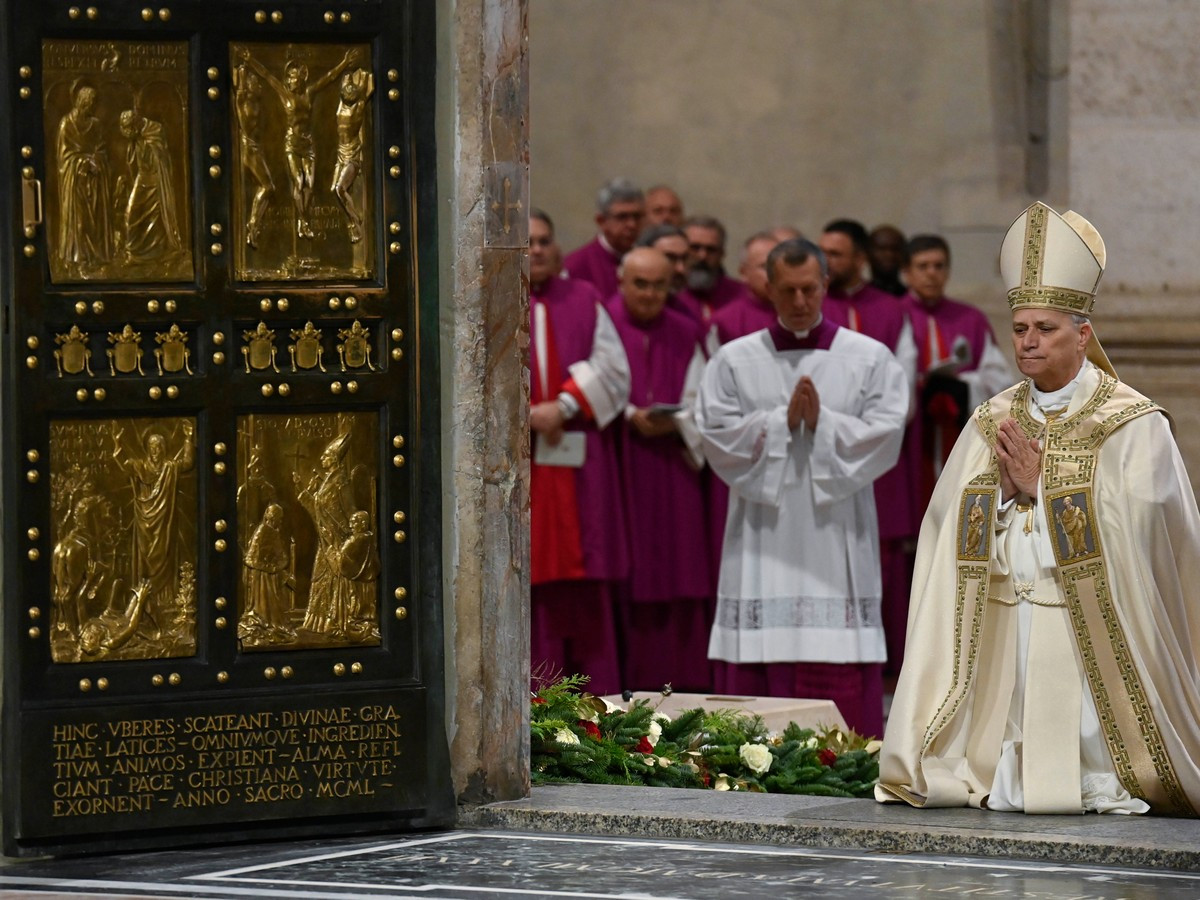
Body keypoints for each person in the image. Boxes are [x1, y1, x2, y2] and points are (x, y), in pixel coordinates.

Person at [879, 201, 1200, 816]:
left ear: (1083, 335)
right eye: (1020, 328)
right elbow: (945, 527)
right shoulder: (993, 418)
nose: (1028, 342)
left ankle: (1103, 772)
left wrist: (1044, 487)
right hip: (1008, 614)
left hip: (1088, 619)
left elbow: (1144, 531)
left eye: (1045, 329)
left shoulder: (1133, 423)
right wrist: (1001, 494)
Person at [697, 239, 908, 737]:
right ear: (767, 287)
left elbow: (887, 432)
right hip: (763, 532)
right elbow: (714, 435)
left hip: (837, 528)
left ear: (825, 286)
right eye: (787, 290)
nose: (799, 301)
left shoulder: (868, 357)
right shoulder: (734, 359)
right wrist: (780, 422)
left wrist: (822, 423)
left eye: (809, 289)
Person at [530, 209, 631, 694]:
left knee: (583, 570)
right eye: (527, 242)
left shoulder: (585, 298)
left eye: (545, 241)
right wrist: (524, 412)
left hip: (577, 458)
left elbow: (614, 369)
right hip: (519, 461)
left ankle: (597, 699)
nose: (536, 249)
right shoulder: (486, 298)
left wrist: (565, 404)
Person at [606, 247, 710, 692]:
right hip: (621, 461)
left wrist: (677, 420)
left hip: (674, 464)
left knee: (680, 566)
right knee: (627, 568)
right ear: (621, 282)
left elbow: (705, 397)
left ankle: (685, 687)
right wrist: (631, 415)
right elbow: (594, 384)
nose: (650, 294)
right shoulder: (603, 324)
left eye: (659, 285)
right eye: (640, 284)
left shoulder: (687, 331)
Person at [820, 219, 919, 681]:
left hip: (880, 456)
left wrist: (865, 427)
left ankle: (887, 668)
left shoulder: (892, 310)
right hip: (823, 451)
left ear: (860, 258)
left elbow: (903, 385)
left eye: (836, 254)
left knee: (883, 558)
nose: (826, 262)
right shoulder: (814, 308)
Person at [903, 234, 1014, 500]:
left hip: (960, 429)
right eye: (923, 266)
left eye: (939, 266)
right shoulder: (895, 315)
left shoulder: (971, 318)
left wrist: (964, 385)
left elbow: (1000, 380)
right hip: (913, 435)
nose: (932, 273)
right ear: (906, 272)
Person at [238, 48, 360, 240]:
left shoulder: (309, 93)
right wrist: (250, 59)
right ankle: (303, 221)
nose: (292, 81)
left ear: (302, 78)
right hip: (292, 144)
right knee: (298, 181)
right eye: (290, 78)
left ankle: (303, 221)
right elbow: (267, 75)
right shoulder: (284, 94)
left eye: (295, 77)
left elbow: (328, 78)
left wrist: (344, 63)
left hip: (307, 145)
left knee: (309, 184)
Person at [111, 423, 195, 630]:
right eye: (152, 447)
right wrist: (118, 444)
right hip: (144, 523)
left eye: (159, 447)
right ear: (147, 449)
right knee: (145, 561)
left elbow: (187, 463)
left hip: (164, 523)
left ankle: (165, 603)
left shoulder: (169, 467)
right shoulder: (140, 466)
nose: (155, 450)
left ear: (164, 449)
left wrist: (188, 438)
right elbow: (123, 464)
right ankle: (144, 605)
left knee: (165, 557)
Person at [296, 432, 357, 638]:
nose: (322, 458)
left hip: (337, 540)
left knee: (333, 580)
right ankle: (318, 623)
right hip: (326, 539)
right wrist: (302, 489)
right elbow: (318, 510)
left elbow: (350, 511)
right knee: (320, 578)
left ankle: (336, 622)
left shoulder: (341, 482)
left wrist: (352, 536)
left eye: (326, 456)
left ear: (334, 459)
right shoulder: (327, 481)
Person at [56, 81, 111, 278]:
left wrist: (95, 162)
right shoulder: (67, 124)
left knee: (94, 221)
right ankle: (78, 260)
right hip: (75, 181)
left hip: (94, 180)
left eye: (95, 102)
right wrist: (80, 163)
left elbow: (102, 150)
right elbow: (64, 157)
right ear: (82, 101)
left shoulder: (96, 125)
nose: (94, 106)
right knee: (79, 221)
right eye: (91, 102)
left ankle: (94, 259)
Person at [118, 110, 184, 266]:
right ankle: (134, 253)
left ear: (135, 124)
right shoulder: (136, 134)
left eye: (129, 129)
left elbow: (161, 155)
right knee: (131, 214)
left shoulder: (155, 129)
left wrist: (148, 145)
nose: (129, 133)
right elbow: (133, 156)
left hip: (156, 177)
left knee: (156, 217)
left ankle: (156, 252)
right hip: (142, 176)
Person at [563, 178, 645, 298]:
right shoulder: (575, 266)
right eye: (622, 217)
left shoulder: (650, 260)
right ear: (601, 221)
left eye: (637, 216)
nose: (632, 225)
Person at [240, 503, 296, 647]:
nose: (280, 522)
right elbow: (251, 558)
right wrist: (271, 567)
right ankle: (266, 621)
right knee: (266, 603)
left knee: (273, 602)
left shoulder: (269, 532)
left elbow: (280, 555)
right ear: (273, 518)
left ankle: (269, 620)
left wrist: (279, 565)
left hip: (268, 574)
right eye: (279, 519)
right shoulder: (264, 531)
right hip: (262, 577)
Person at [232, 64, 274, 249]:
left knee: (268, 187)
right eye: (256, 83)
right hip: (249, 149)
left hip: (255, 148)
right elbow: (240, 91)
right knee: (267, 186)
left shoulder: (254, 102)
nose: (260, 86)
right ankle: (253, 223)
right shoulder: (243, 101)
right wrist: (242, 73)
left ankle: (254, 227)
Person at [331, 67, 374, 244]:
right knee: (334, 190)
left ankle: (356, 222)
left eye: (350, 89)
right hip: (341, 153)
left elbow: (363, 90)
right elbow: (347, 86)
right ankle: (354, 219)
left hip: (352, 155)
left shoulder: (358, 109)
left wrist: (363, 78)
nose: (348, 90)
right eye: (346, 89)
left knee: (339, 189)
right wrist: (349, 74)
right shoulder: (341, 107)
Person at [680, 215, 751, 322]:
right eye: (695, 248)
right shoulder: (668, 295)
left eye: (711, 250)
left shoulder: (741, 294)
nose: (702, 256)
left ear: (722, 254)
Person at [634, 224, 702, 322]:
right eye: (670, 258)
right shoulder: (620, 313)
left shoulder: (688, 314)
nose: (681, 269)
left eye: (685, 258)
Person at [868, 224, 908, 297]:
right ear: (868, 253)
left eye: (895, 249)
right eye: (881, 249)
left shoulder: (911, 298)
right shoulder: (857, 297)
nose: (889, 255)